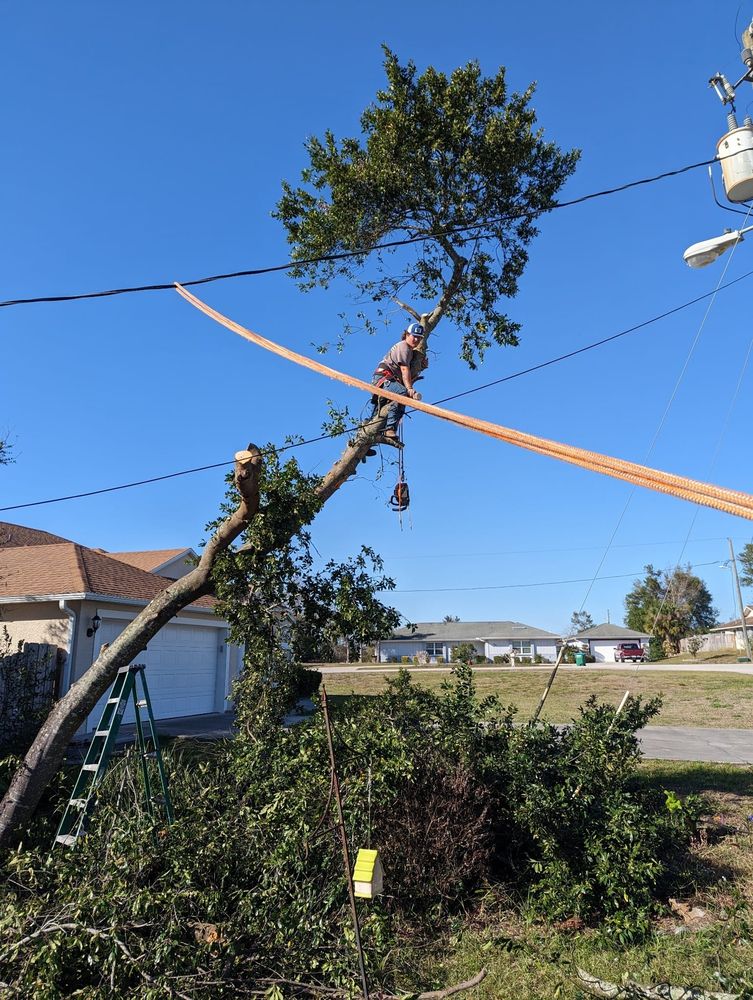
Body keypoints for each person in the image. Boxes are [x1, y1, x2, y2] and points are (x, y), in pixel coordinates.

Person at [371, 322, 427, 439]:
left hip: (389, 379)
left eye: (419, 338)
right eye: (414, 336)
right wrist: (409, 389)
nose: (416, 339)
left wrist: (422, 366)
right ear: (407, 334)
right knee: (402, 393)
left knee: (378, 414)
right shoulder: (403, 347)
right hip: (383, 377)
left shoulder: (410, 352)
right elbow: (404, 369)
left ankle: (369, 439)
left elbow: (410, 371)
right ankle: (390, 429)